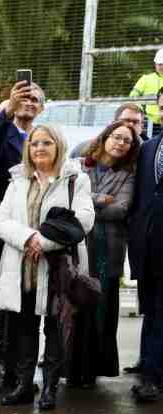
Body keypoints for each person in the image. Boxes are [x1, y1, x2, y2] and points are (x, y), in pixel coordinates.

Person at [0, 125, 94, 410]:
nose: (39, 148)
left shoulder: (75, 179)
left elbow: (84, 220)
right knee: (24, 328)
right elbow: (1, 220)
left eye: (46, 142)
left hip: (58, 269)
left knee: (55, 328)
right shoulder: (18, 179)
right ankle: (24, 386)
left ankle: (49, 388)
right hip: (22, 266)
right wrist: (29, 238)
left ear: (58, 145)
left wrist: (44, 243)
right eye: (34, 143)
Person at [0, 79, 46, 392]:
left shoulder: (44, 140)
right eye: (23, 97)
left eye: (34, 99)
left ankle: (16, 367)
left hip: (32, 233)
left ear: (42, 108)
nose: (28, 102)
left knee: (24, 304)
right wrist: (5, 114)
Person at [69, 120, 139, 387]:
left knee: (102, 309)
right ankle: (70, 367)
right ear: (106, 136)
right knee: (74, 306)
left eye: (127, 141)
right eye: (117, 137)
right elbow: (71, 199)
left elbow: (121, 209)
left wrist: (87, 202)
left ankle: (93, 369)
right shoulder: (80, 163)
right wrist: (99, 199)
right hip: (79, 245)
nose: (121, 143)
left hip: (108, 249)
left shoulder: (128, 173)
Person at [127, 97, 163, 402]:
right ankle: (149, 370)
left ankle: (153, 376)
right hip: (148, 246)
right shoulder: (148, 148)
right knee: (151, 309)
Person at [71, 104, 145, 157]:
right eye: (126, 120)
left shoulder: (147, 153)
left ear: (142, 126)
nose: (131, 125)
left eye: (136, 122)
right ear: (113, 123)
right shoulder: (84, 149)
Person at [128, 50, 163, 125]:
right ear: (155, 64)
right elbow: (133, 96)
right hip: (150, 123)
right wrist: (140, 109)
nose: (162, 67)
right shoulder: (145, 79)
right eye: (160, 64)